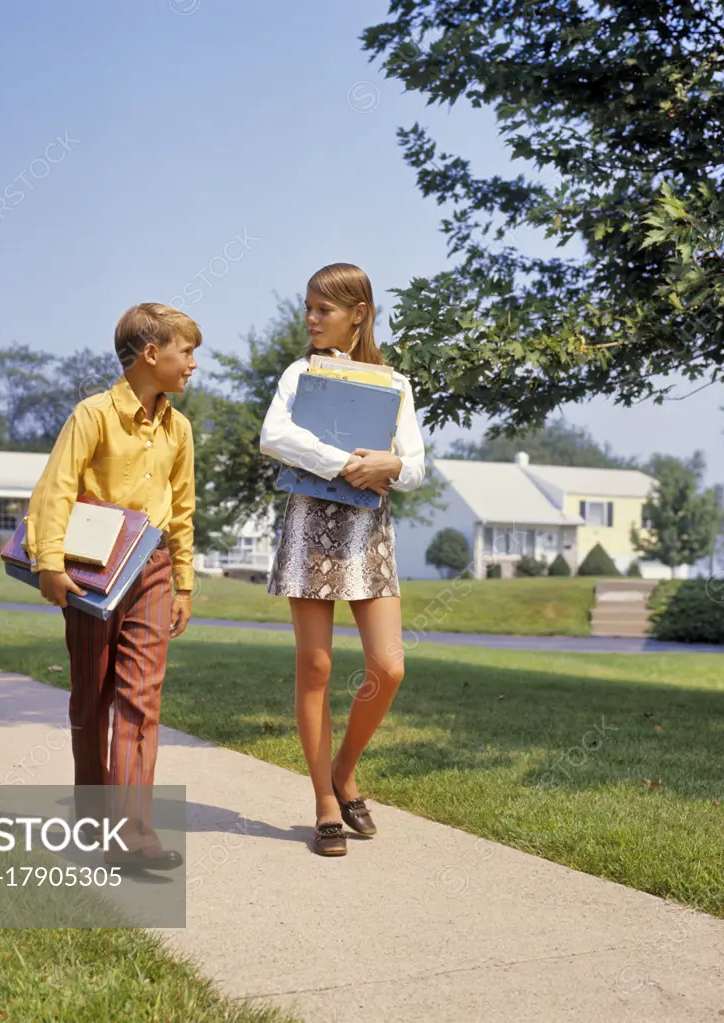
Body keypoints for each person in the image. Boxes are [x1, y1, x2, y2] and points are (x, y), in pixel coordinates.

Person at [25, 302, 199, 871]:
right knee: (92, 696)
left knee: (140, 699)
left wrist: (183, 580)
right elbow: (55, 490)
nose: (193, 364)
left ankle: (133, 835)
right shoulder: (92, 415)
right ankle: (93, 819)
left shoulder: (180, 428)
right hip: (91, 574)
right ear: (152, 354)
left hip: (148, 570)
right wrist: (50, 563)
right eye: (186, 351)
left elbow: (182, 509)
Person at [260, 263, 426, 856]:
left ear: (358, 313)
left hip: (368, 535)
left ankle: (344, 768)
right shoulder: (300, 374)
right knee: (317, 669)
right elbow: (273, 436)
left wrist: (391, 467)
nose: (310, 318)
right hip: (310, 525)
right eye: (307, 307)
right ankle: (325, 803)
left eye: (322, 309)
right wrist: (347, 463)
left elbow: (415, 464)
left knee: (389, 665)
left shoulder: (395, 384)